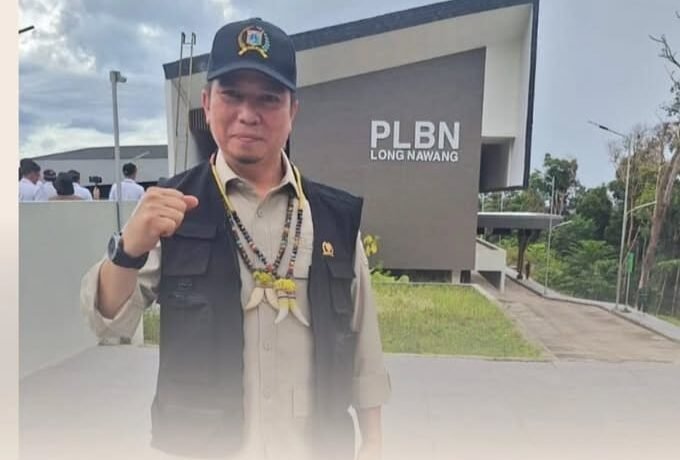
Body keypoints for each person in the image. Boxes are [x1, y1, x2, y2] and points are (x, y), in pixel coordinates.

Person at [80, 17, 390, 460]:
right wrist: (128, 248)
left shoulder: (333, 218)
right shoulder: (171, 208)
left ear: (292, 111)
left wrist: (374, 441)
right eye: (232, 95)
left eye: (268, 98)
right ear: (207, 104)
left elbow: (363, 343)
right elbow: (108, 320)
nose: (248, 114)